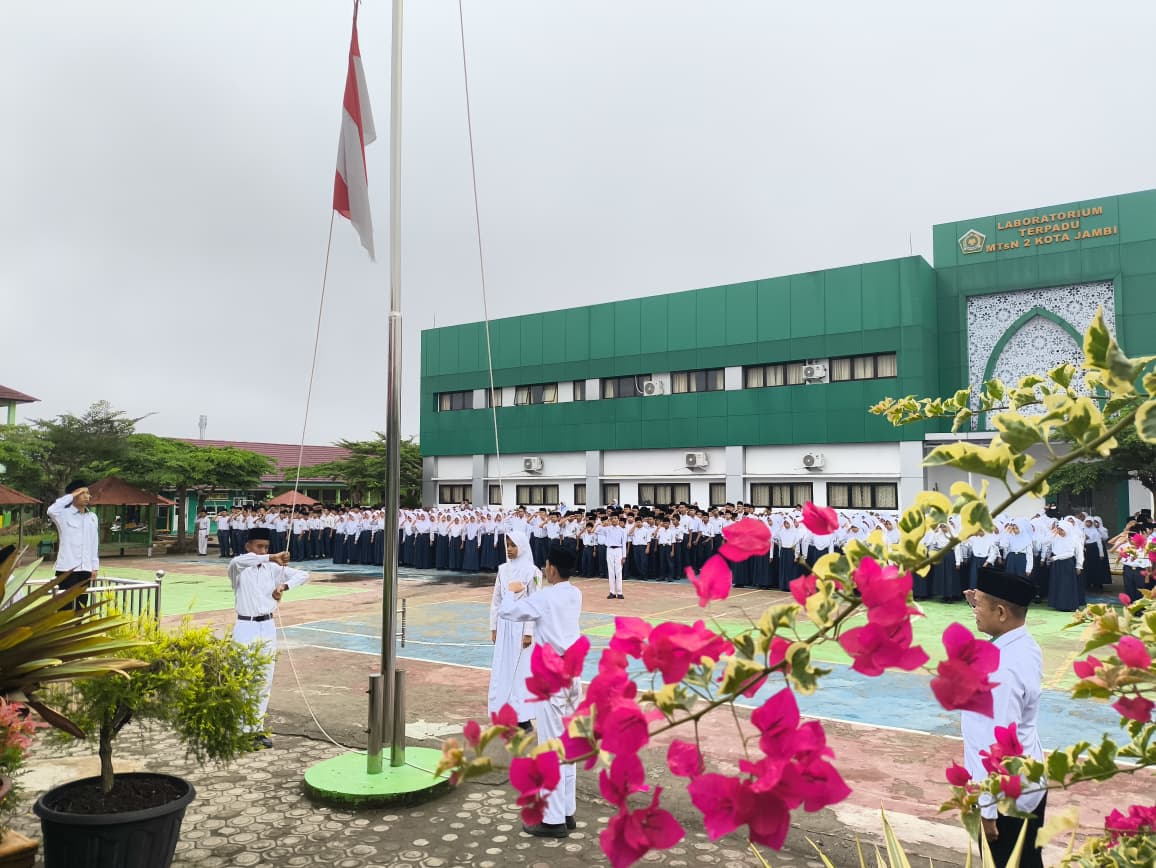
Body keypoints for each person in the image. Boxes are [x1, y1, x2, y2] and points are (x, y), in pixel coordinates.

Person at [961, 566, 1046, 868]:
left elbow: (995, 744)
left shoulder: (1000, 670)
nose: (974, 610)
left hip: (1006, 803)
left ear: (1000, 612)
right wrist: (979, 597)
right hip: (1029, 784)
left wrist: (987, 810)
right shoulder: (1025, 645)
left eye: (978, 604)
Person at [498, 543, 583, 839]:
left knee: (550, 746)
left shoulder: (546, 598)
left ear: (552, 568)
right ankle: (567, 811)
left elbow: (508, 612)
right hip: (572, 675)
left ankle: (553, 819)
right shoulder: (575, 593)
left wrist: (516, 590)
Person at [228, 526, 309, 749]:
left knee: (264, 678)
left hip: (268, 625)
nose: (263, 550)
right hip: (246, 626)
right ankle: (239, 729)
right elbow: (241, 562)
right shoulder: (238, 567)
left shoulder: (273, 569)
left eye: (266, 546)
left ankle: (255, 728)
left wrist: (283, 586)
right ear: (248, 547)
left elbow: (303, 575)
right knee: (244, 678)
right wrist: (272, 556)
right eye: (259, 546)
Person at [487, 530, 541, 729]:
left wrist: (529, 631)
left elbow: (535, 602)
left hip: (521, 628)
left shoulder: (533, 572)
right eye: (507, 545)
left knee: (520, 672)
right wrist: (494, 627)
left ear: (522, 546)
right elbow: (496, 600)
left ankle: (522, 717)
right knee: (503, 669)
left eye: (513, 545)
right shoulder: (503, 570)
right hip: (504, 627)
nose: (509, 549)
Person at [46, 480, 99, 609]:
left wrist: (95, 567)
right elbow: (51, 510)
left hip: (85, 569)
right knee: (65, 607)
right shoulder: (63, 514)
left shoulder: (92, 517)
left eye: (88, 493)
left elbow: (94, 543)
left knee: (81, 607)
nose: (87, 496)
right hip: (67, 569)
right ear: (74, 495)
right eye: (82, 493)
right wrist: (70, 496)